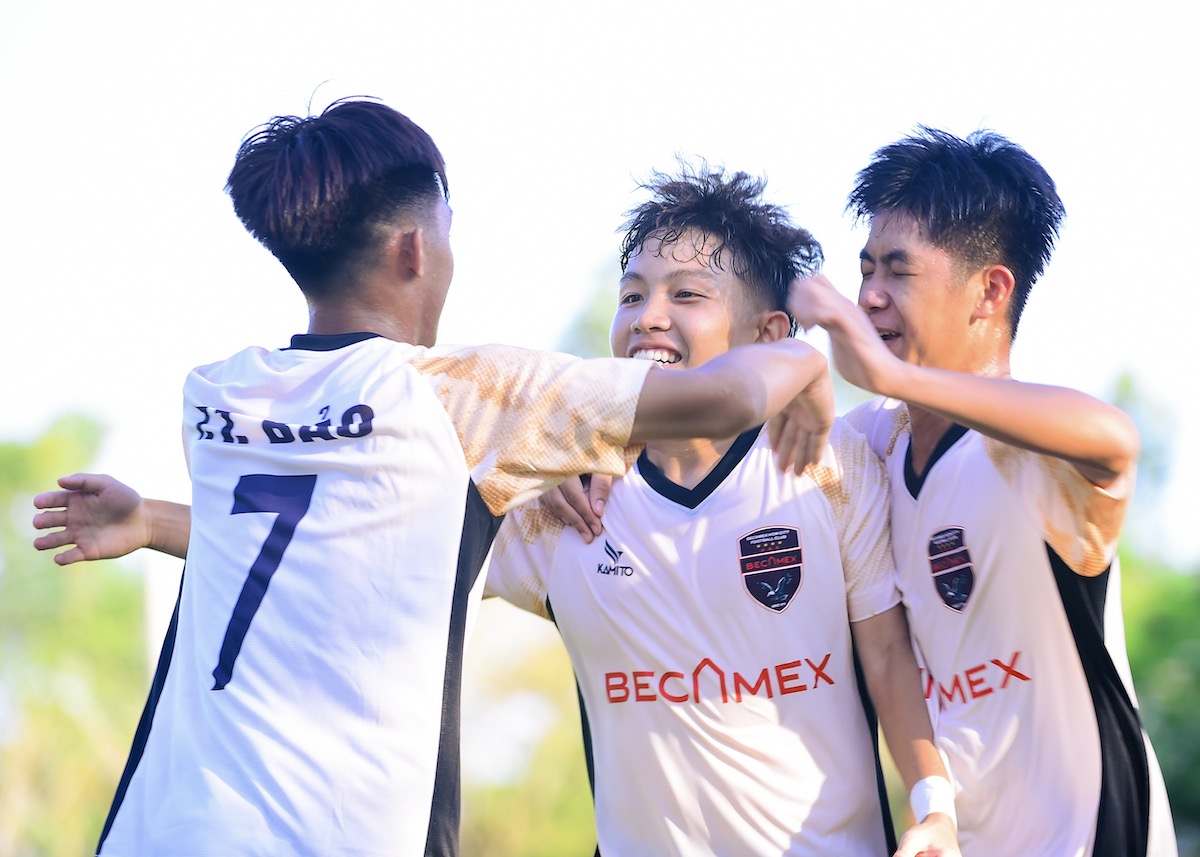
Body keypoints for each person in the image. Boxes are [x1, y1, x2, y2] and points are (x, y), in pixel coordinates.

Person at [31, 98, 838, 857]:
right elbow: (730, 397)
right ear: (415, 249)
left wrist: (151, 521)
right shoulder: (467, 396)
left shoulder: (217, 397)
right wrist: (805, 358)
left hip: (164, 828)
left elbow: (294, 539)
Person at [485, 166, 959, 856]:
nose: (648, 316)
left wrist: (935, 807)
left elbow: (887, 655)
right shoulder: (558, 502)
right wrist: (530, 455)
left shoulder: (831, 465)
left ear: (769, 335)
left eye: (686, 294)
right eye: (632, 295)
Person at [787, 127, 1178, 857]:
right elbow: (729, 454)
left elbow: (1115, 439)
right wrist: (598, 466)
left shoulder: (1034, 453)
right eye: (864, 270)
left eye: (897, 271)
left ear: (990, 291)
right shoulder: (872, 448)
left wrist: (894, 376)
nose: (868, 297)